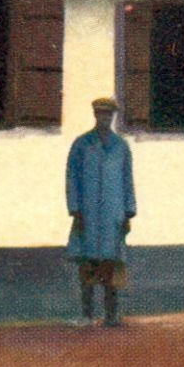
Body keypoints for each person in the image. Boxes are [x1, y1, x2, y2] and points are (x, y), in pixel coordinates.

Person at [66, 96, 136, 326]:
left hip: (112, 216)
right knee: (87, 266)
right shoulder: (81, 145)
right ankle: (86, 315)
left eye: (108, 114)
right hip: (87, 215)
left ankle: (111, 315)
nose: (104, 118)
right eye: (100, 114)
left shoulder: (121, 147)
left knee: (111, 265)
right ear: (95, 115)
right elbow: (72, 178)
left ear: (113, 117)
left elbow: (127, 180)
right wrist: (75, 209)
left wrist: (128, 212)